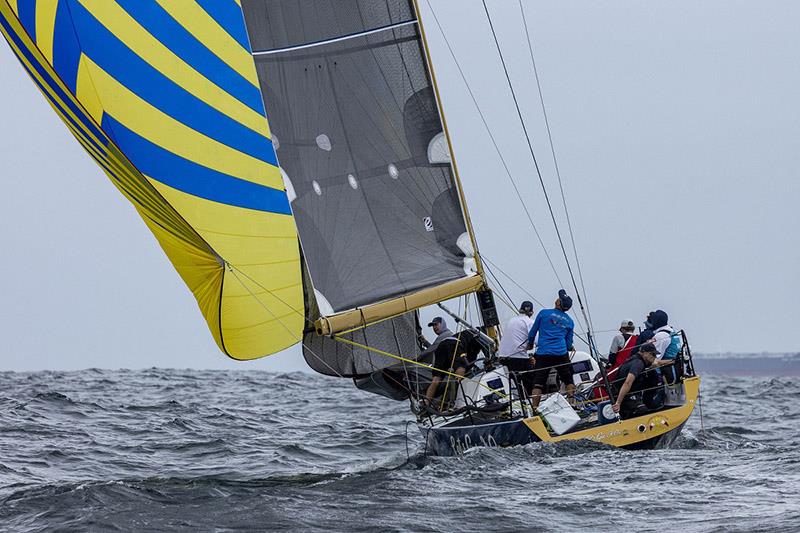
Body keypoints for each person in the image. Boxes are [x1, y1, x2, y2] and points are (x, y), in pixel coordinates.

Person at [526, 289, 575, 408]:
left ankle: (535, 410)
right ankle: (574, 405)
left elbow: (532, 333)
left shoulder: (543, 313)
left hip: (543, 354)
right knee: (568, 380)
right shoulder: (570, 321)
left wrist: (530, 344)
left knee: (538, 384)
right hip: (561, 354)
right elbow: (569, 345)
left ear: (558, 303)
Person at [424, 329, 482, 403]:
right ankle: (455, 402)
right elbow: (471, 359)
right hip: (454, 344)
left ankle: (426, 402)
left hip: (441, 347)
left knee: (436, 379)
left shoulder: (469, 333)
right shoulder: (480, 336)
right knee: (460, 370)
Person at [498, 301, 536, 400]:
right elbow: (537, 340)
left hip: (503, 357)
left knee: (516, 383)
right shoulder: (529, 322)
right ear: (531, 312)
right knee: (532, 382)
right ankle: (531, 403)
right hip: (518, 358)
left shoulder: (511, 321)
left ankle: (521, 401)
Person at [611, 343, 660, 417]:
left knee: (652, 374)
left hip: (631, 392)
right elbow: (627, 383)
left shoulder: (635, 359)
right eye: (652, 354)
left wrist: (671, 361)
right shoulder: (638, 363)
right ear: (644, 353)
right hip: (624, 395)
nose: (654, 357)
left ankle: (649, 401)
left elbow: (658, 362)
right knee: (643, 411)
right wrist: (618, 403)